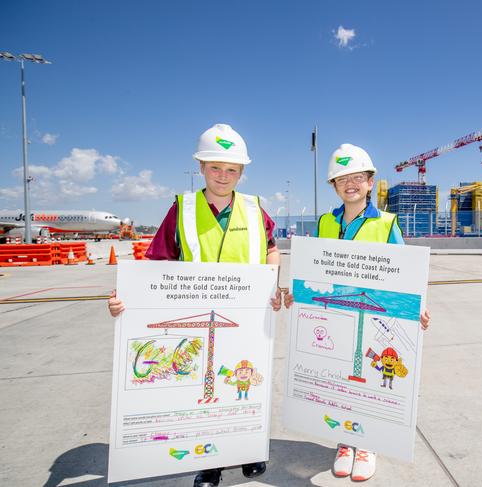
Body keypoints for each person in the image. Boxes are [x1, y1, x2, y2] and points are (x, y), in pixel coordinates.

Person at [108, 123, 282, 487]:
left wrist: (273, 283)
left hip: (247, 317)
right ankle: (210, 462)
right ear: (200, 167)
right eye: (215, 167)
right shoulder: (182, 209)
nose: (223, 175)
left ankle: (249, 449)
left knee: (245, 382)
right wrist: (128, 303)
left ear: (242, 173)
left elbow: (270, 249)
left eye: (232, 169)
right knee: (204, 391)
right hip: (199, 315)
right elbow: (155, 264)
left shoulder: (254, 209)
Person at [284, 143, 430, 482]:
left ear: (369, 183)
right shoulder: (324, 222)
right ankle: (346, 442)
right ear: (333, 185)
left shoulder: (386, 223)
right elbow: (314, 269)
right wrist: (300, 295)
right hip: (335, 313)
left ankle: (368, 444)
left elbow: (406, 270)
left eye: (358, 178)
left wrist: (419, 308)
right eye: (342, 179)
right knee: (338, 378)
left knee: (368, 378)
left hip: (370, 310)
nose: (350, 184)